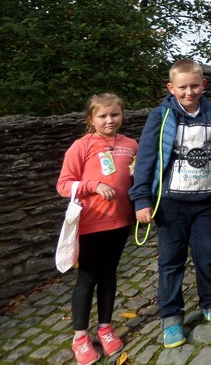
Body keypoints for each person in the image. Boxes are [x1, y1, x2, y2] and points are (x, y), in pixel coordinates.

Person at [129, 60, 211, 349]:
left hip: (208, 201)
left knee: (208, 255)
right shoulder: (160, 116)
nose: (189, 92)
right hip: (170, 204)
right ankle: (171, 316)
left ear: (204, 85)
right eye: (183, 87)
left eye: (194, 86)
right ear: (171, 88)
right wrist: (141, 199)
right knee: (171, 261)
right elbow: (147, 158)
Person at [57, 94, 137, 365]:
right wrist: (93, 186)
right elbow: (63, 184)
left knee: (109, 275)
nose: (109, 120)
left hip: (121, 222)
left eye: (115, 114)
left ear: (122, 115)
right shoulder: (81, 146)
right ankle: (80, 336)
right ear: (91, 119)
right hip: (91, 223)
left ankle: (105, 327)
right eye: (102, 116)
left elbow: (137, 178)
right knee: (88, 278)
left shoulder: (131, 145)